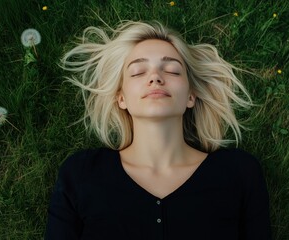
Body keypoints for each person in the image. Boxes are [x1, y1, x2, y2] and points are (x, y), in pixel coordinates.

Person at [45, 20, 271, 240]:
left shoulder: (239, 172)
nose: (155, 77)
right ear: (121, 98)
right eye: (138, 72)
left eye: (172, 70)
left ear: (191, 96)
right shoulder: (82, 173)